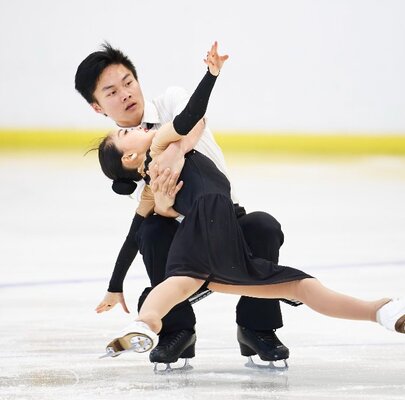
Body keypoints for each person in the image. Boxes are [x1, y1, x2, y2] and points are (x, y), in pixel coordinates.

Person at [96, 44, 405, 358]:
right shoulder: (157, 151)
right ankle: (148, 326)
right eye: (125, 135)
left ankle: (380, 312)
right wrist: (212, 76)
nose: (135, 128)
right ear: (132, 156)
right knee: (173, 266)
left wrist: (114, 286)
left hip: (224, 238)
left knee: (287, 285)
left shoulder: (163, 141)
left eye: (127, 82)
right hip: (202, 231)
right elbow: (136, 234)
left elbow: (192, 116)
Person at [75, 42, 289, 367]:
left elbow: (195, 119)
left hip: (226, 220)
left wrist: (172, 150)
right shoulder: (122, 159)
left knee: (263, 226)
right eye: (111, 91)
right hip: (183, 241)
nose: (126, 94)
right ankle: (177, 332)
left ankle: (255, 329)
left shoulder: (171, 100)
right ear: (97, 106)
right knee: (151, 232)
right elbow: (154, 212)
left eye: (128, 82)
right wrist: (161, 202)